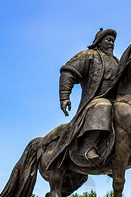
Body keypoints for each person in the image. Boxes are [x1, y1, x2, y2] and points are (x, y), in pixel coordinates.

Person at [50, 28, 119, 167]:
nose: (112, 43)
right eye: (108, 40)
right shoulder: (89, 55)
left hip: (116, 101)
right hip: (94, 102)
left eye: (113, 41)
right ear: (99, 42)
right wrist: (64, 97)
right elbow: (68, 72)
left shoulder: (117, 61)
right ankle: (87, 147)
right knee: (103, 105)